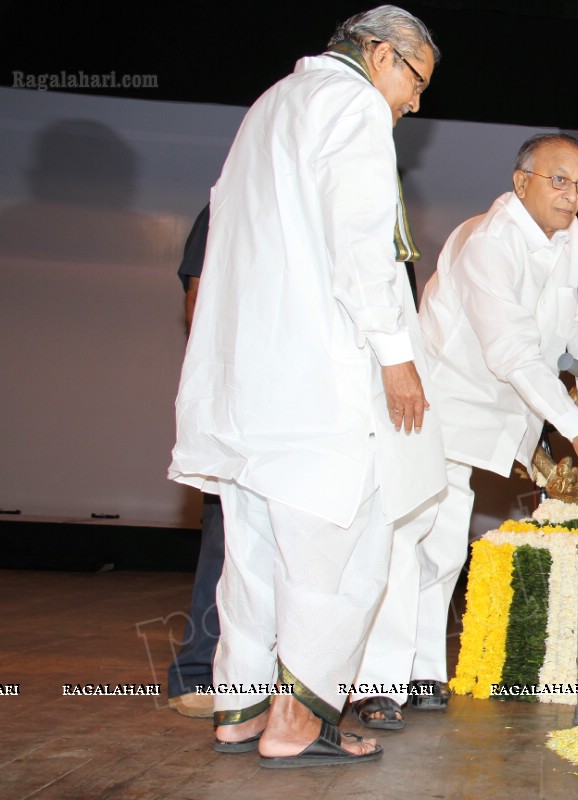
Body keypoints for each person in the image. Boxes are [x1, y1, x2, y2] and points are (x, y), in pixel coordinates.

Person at [169, 6, 442, 767]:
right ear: (381, 55)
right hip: (322, 379)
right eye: (417, 81)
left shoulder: (273, 103)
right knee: (339, 552)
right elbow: (361, 242)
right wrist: (396, 355)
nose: (415, 103)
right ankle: (300, 723)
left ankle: (241, 710)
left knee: (253, 554)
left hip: (252, 381)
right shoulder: (352, 105)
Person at [351, 133, 578, 725]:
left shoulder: (567, 244)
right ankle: (377, 681)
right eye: (559, 180)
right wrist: (577, 427)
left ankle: (422, 671)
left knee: (445, 543)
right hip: (433, 405)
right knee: (406, 538)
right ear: (521, 180)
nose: (572, 195)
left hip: (485, 416)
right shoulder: (490, 241)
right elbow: (512, 352)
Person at [166, 204, 224, 719]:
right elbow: (198, 297)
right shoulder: (233, 198)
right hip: (244, 396)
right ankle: (198, 674)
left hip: (328, 406)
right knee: (228, 538)